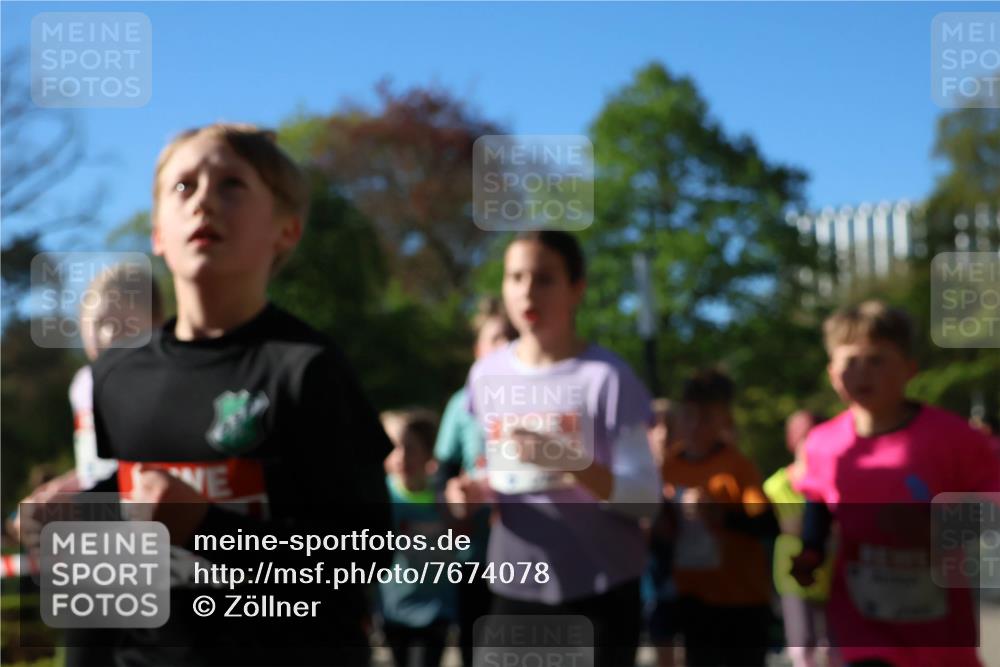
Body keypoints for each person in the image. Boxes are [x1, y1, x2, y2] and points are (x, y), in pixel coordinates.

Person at [77, 123, 392, 666]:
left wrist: (207, 528)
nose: (203, 201)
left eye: (231, 185)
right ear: (158, 233)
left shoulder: (309, 368)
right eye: (183, 186)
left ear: (286, 230)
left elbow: (363, 557)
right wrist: (81, 512)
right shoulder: (116, 375)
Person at [446, 230, 661, 667]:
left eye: (544, 278)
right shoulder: (485, 375)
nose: (527, 291)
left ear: (576, 289)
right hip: (513, 586)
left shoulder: (607, 377)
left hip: (599, 589)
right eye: (515, 277)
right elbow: (502, 473)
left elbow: (646, 501)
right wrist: (470, 493)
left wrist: (568, 459)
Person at [791, 300, 1000, 667]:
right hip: (860, 618)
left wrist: (937, 529)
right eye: (850, 361)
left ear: (909, 369)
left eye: (876, 360)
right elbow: (818, 504)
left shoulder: (953, 437)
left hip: (937, 621)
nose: (862, 372)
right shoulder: (823, 443)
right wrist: (811, 551)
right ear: (832, 373)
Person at [659, 368, 779, 667]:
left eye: (706, 418)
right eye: (689, 416)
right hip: (693, 598)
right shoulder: (668, 468)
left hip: (742, 600)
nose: (695, 426)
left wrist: (718, 515)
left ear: (724, 420)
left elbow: (767, 525)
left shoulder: (738, 466)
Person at [433, 296, 516, 666]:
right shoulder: (461, 404)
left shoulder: (538, 397)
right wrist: (453, 502)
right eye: (495, 338)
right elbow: (444, 474)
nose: (505, 345)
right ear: (477, 349)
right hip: (475, 555)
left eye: (511, 337)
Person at [380, 410, 456, 667]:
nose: (401, 456)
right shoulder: (382, 498)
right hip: (392, 611)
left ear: (428, 452)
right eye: (392, 448)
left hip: (435, 611)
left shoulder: (445, 498)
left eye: (410, 448)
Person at [763, 411, 838, 667]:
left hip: (833, 573)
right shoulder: (775, 486)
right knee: (802, 643)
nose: (809, 443)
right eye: (804, 436)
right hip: (792, 576)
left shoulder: (836, 482)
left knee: (834, 646)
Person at [643, 398, 682, 667]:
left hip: (693, 579)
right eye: (654, 426)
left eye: (669, 426)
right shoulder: (636, 478)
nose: (662, 433)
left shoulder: (690, 473)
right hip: (651, 580)